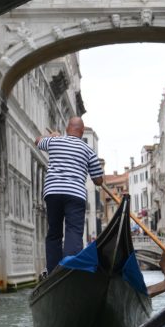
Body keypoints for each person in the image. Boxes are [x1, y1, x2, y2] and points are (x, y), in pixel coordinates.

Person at [35, 116, 104, 274]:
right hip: (75, 194)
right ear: (81, 132)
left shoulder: (55, 141)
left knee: (54, 232)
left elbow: (37, 141)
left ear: (67, 129)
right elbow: (99, 181)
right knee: (73, 231)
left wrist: (50, 137)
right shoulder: (88, 151)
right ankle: (69, 269)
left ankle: (53, 271)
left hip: (53, 192)